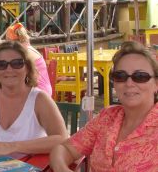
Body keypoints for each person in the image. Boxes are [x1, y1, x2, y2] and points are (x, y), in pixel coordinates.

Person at [50, 41, 158, 172]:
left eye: (140, 76)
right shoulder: (107, 117)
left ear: (156, 84)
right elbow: (64, 148)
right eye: (120, 76)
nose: (129, 83)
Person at [5, 23, 52, 96]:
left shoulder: (23, 52)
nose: (6, 43)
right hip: (44, 89)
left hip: (38, 92)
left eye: (7, 40)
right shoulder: (28, 48)